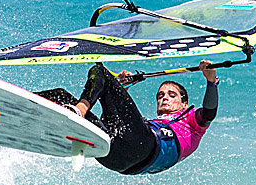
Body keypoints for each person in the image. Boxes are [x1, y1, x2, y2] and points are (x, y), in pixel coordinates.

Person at [42, 60, 220, 175]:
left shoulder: (191, 121)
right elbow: (116, 122)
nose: (164, 97)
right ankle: (21, 107)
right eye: (160, 95)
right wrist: (119, 87)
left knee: (100, 71)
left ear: (184, 103)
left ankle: (80, 110)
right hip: (113, 158)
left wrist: (211, 82)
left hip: (144, 150)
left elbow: (209, 112)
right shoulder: (152, 123)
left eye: (171, 95)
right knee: (60, 96)